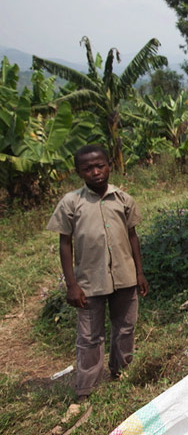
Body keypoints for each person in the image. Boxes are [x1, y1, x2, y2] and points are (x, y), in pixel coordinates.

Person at [47, 144, 149, 401]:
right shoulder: (72, 203)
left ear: (110, 165)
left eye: (100, 165)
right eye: (88, 168)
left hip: (124, 277)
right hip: (89, 282)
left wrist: (139, 273)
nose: (95, 172)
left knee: (125, 327)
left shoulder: (123, 199)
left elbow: (132, 236)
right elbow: (65, 244)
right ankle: (86, 389)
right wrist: (72, 285)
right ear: (79, 172)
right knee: (90, 337)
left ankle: (121, 371)